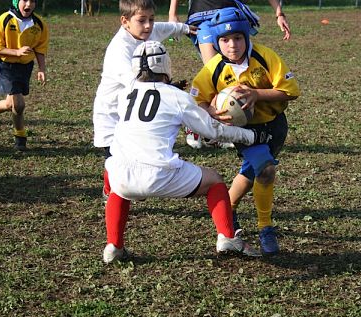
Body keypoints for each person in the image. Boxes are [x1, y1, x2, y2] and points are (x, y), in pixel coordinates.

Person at [102, 41, 272, 263]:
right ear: (166, 66)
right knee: (214, 180)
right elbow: (213, 130)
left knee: (118, 185)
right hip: (159, 173)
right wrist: (251, 136)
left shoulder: (125, 94)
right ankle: (228, 237)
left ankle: (113, 246)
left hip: (122, 173)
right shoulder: (177, 97)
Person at [191, 8, 300, 255]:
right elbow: (195, 99)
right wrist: (210, 109)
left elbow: (291, 91)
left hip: (275, 125)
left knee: (252, 172)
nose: (232, 45)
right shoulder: (214, 68)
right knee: (266, 170)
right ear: (217, 42)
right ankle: (265, 227)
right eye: (225, 40)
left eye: (238, 38)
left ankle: (227, 211)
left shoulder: (265, 56)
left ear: (247, 37)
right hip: (244, 132)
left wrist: (256, 94)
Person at [93, 0, 197, 200]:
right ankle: (110, 193)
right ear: (125, 21)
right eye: (142, 20)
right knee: (119, 165)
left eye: (151, 19)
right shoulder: (119, 49)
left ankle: (114, 191)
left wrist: (185, 28)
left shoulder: (148, 31)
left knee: (130, 164)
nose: (149, 25)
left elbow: (165, 28)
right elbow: (134, 84)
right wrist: (168, 89)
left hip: (133, 111)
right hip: (111, 116)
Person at [169, 0, 291, 149]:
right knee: (214, 70)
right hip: (202, 15)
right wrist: (172, 13)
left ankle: (227, 125)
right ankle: (201, 125)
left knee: (232, 69)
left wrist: (279, 13)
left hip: (231, 13)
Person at [0, 0, 49, 152]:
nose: (28, 4)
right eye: (24, 0)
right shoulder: (4, 20)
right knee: (18, 104)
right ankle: (20, 136)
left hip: (25, 67)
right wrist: (16, 52)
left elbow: (40, 48)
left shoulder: (39, 23)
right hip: (7, 66)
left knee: (9, 104)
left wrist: (42, 69)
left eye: (32, 1)